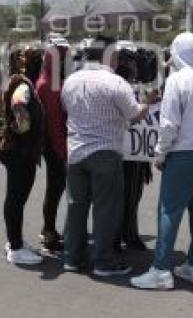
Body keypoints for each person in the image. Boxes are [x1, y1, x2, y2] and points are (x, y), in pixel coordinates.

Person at [131, 33, 193, 290]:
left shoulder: (177, 80)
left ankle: (161, 270)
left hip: (184, 154)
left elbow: (169, 123)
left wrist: (160, 153)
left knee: (169, 210)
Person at [61, 36, 152, 277]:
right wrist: (148, 103)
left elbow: (66, 109)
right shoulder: (115, 82)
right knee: (106, 209)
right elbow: (134, 114)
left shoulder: (70, 80)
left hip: (76, 152)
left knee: (76, 207)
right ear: (108, 55)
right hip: (105, 152)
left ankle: (72, 257)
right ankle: (103, 261)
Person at [0, 48, 46, 266]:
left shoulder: (10, 81)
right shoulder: (22, 85)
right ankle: (15, 247)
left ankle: (15, 241)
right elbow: (18, 103)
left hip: (12, 148)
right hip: (18, 151)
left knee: (15, 197)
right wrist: (22, 127)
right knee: (16, 198)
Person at [115, 51, 152, 252]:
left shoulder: (135, 88)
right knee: (125, 195)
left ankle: (127, 234)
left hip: (132, 153)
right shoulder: (121, 88)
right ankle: (124, 236)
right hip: (122, 152)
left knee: (132, 194)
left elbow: (144, 126)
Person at [35, 45, 68, 252]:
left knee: (54, 188)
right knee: (55, 188)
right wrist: (62, 150)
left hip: (48, 142)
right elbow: (55, 122)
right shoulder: (51, 85)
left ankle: (48, 229)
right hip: (53, 143)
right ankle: (49, 232)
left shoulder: (44, 79)